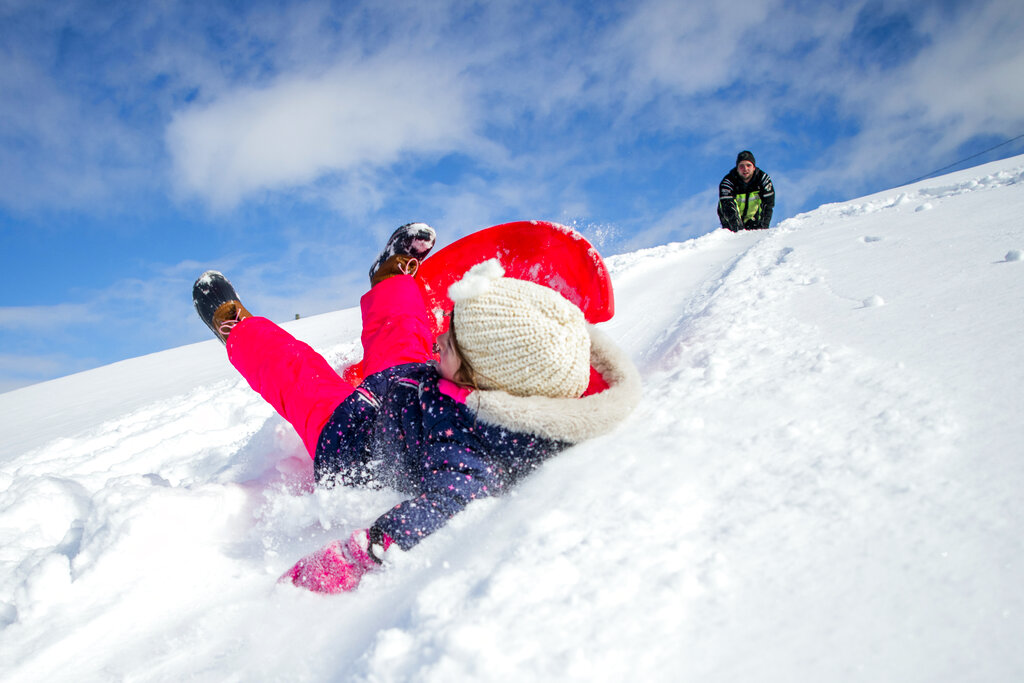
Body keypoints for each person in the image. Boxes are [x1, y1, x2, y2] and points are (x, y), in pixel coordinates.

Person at [192, 223, 641, 594]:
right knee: (405, 326)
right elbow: (454, 350)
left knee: (293, 372)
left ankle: (237, 328)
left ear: (478, 375)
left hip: (349, 440)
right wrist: (446, 355)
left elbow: (444, 505)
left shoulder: (474, 448)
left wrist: (360, 552)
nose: (441, 334)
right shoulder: (468, 371)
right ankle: (390, 278)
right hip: (409, 389)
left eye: (451, 341)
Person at [718, 150, 775, 231]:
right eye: (741, 166)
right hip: (730, 219)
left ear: (754, 167)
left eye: (749, 165)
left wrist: (763, 229)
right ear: (737, 168)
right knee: (735, 236)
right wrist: (738, 230)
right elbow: (727, 207)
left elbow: (768, 205)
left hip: (752, 217)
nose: (745, 169)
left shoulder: (763, 180)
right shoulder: (728, 182)